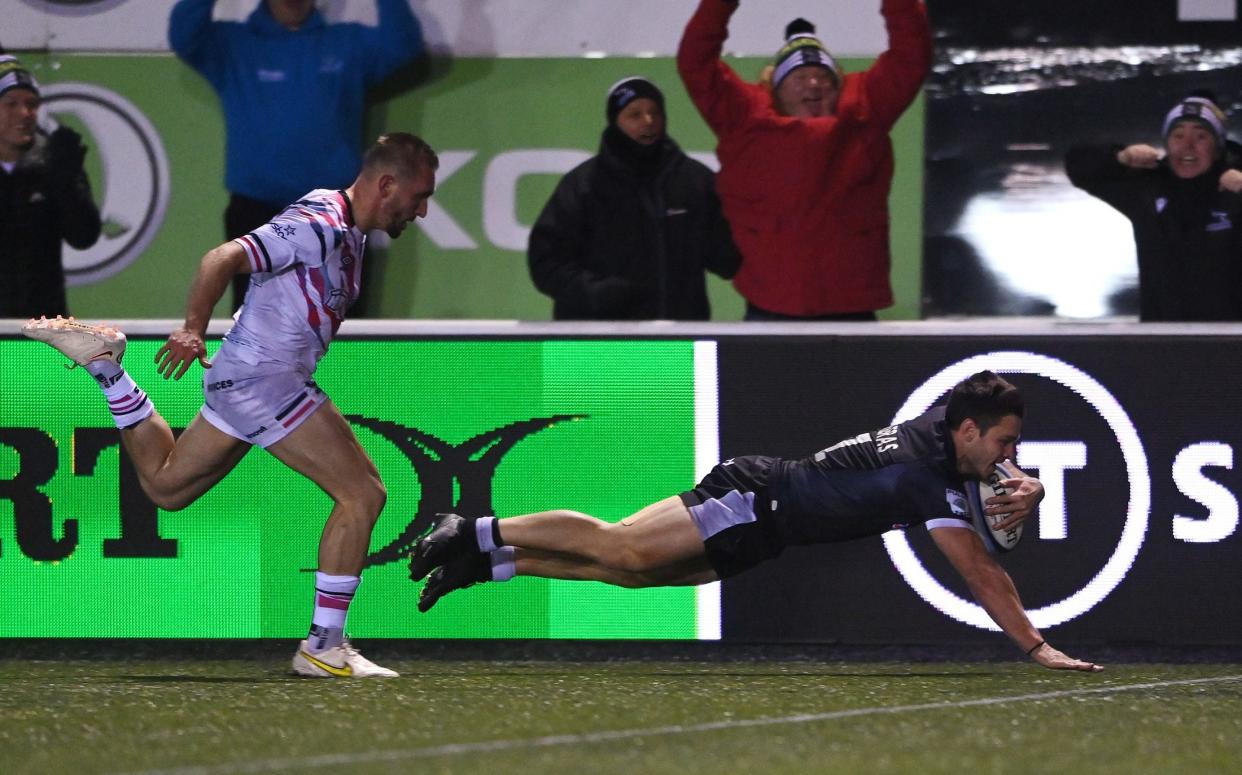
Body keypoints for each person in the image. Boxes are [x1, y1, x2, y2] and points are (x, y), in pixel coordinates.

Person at [24, 133, 438, 678]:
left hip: (246, 379)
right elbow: (222, 257)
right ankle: (323, 645)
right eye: (419, 194)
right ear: (387, 185)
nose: (423, 209)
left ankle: (107, 368)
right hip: (264, 381)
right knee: (363, 493)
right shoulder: (321, 223)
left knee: (166, 488)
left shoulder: (352, 235)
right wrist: (193, 329)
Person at [409, 370, 1103, 672]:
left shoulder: (944, 428)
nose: (1011, 453)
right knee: (622, 545)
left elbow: (985, 475)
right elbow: (984, 568)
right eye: (1007, 441)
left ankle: (488, 562)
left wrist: (1025, 483)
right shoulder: (929, 479)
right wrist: (1037, 646)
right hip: (757, 495)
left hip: (770, 528)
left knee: (634, 577)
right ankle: (470, 528)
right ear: (974, 430)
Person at [676, 0, 931, 321]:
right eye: (799, 77)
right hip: (770, 307)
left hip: (851, 308)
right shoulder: (743, 118)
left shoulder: (866, 111)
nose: (813, 84)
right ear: (775, 91)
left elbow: (911, 55)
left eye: (824, 77)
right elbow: (695, 63)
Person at [168, 0, 423, 316]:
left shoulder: (347, 44)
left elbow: (404, 43)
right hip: (256, 212)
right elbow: (183, 34)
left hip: (336, 214)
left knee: (339, 332)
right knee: (253, 329)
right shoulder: (232, 45)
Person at [527, 76, 741, 320]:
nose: (648, 121)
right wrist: (596, 293)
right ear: (614, 121)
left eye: (654, 112)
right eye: (635, 114)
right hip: (598, 343)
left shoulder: (695, 181)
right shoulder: (583, 185)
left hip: (678, 341)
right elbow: (546, 262)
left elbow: (728, 256)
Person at [1065, 92, 1242, 321]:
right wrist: (1121, 157)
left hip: (1232, 340)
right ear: (1166, 144)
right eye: (1178, 136)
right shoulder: (1148, 188)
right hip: (1161, 338)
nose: (1188, 146)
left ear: (1217, 148)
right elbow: (1078, 167)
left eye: (1200, 137)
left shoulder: (1235, 188)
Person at [0, 53, 101, 319]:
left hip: (42, 329)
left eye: (31, 104)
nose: (24, 113)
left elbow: (84, 237)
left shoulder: (55, 160)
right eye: (11, 104)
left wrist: (65, 182)